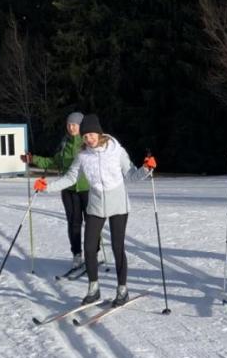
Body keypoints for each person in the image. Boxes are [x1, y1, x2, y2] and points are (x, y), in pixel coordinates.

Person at [38, 114, 154, 306]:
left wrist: (146, 169)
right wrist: (47, 187)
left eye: (91, 134)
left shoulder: (116, 150)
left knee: (118, 247)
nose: (88, 139)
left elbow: (131, 175)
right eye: (85, 136)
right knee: (90, 247)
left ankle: (122, 289)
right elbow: (70, 178)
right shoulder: (83, 156)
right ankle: (94, 288)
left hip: (118, 205)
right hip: (96, 205)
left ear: (99, 133)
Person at [23, 112, 89, 267]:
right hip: (68, 189)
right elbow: (53, 162)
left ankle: (93, 252)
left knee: (92, 222)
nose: (71, 127)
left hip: (88, 189)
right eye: (68, 124)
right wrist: (33, 159)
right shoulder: (65, 144)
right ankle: (77, 254)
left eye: (74, 124)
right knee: (74, 223)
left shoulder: (88, 142)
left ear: (81, 126)